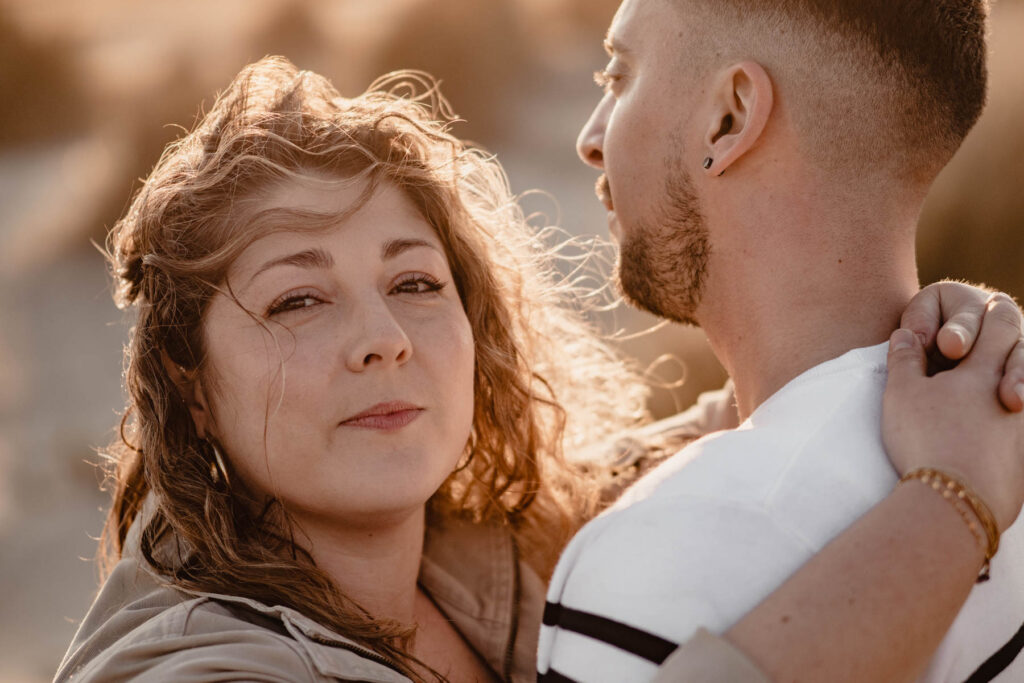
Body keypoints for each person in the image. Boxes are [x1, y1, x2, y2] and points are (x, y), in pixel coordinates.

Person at [55, 57, 1022, 683]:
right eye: (297, 300)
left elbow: (712, 433)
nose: (383, 337)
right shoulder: (195, 670)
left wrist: (931, 344)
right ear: (189, 377)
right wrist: (954, 500)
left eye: (416, 283)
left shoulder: (492, 540)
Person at [538, 0, 1024, 681]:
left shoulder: (664, 548)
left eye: (619, 76)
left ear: (728, 118)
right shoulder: (1005, 429)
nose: (592, 139)